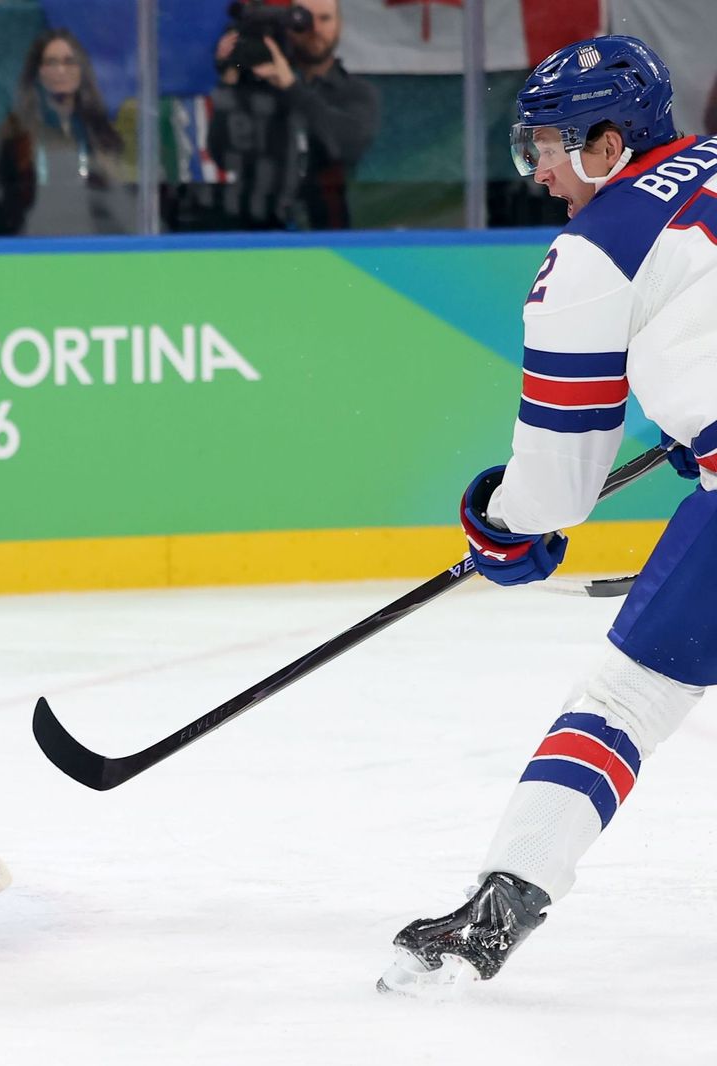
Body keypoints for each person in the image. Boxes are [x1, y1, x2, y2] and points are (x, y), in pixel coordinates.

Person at [379, 35, 717, 993]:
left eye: (549, 149)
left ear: (609, 145)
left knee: (625, 700)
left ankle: (501, 906)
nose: (539, 175)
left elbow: (559, 485)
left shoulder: (594, 252)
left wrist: (504, 524)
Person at [202, 0, 377, 230]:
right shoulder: (256, 90)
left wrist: (290, 87)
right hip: (260, 235)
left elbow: (345, 147)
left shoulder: (356, 92)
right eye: (303, 20)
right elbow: (223, 156)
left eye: (325, 19)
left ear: (340, 25)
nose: (314, 29)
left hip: (330, 237)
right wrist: (230, 80)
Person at [0, 28, 126, 237]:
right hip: (34, 243)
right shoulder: (15, 130)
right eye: (51, 63)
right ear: (39, 72)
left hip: (93, 244)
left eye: (69, 62)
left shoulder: (99, 129)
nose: (61, 71)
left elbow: (120, 196)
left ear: (81, 69)